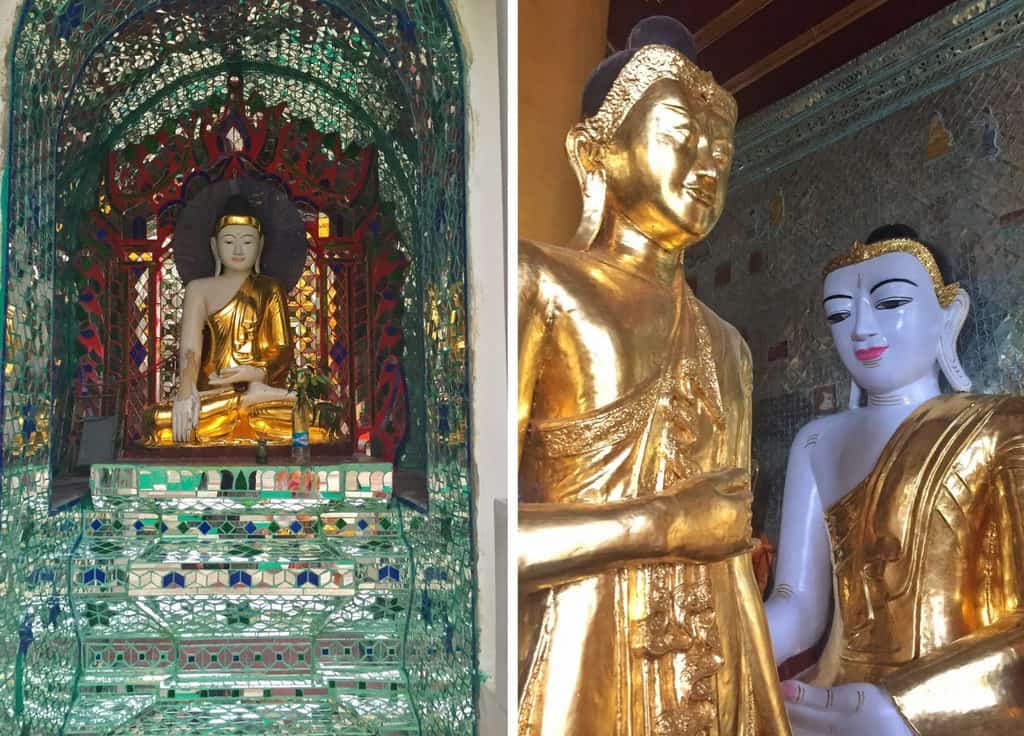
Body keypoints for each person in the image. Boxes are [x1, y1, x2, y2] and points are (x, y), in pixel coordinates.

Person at [518, 16, 790, 735]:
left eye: (722, 148)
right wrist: (662, 523)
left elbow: (730, 547)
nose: (707, 164)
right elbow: (477, 538)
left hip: (711, 673)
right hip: (580, 671)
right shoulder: (539, 282)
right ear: (594, 151)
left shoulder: (728, 345)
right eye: (680, 132)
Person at [765, 225, 1024, 735]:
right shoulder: (816, 441)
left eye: (890, 302)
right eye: (839, 313)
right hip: (825, 707)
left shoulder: (1003, 425)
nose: (860, 328)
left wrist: (908, 708)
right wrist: (719, 650)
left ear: (949, 313)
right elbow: (796, 606)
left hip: (951, 712)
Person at [144, 193, 333, 446]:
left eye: (247, 241)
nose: (238, 249)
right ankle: (247, 403)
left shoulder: (270, 289)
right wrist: (186, 389)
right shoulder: (198, 289)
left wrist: (255, 372)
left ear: (261, 245)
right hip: (212, 399)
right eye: (229, 241)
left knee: (323, 416)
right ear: (214, 246)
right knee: (157, 420)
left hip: (262, 395)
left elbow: (282, 349)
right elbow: (190, 350)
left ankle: (254, 399)